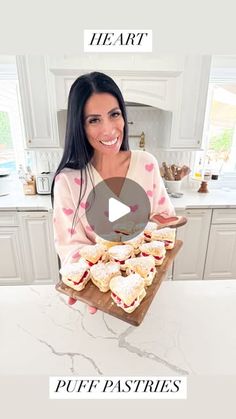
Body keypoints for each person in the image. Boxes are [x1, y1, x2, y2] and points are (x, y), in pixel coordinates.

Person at [51, 71, 175, 314]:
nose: (109, 130)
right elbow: (71, 247)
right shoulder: (68, 182)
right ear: (80, 125)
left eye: (114, 114)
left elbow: (165, 223)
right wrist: (91, 284)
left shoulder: (146, 164)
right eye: (94, 120)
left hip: (146, 295)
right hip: (98, 302)